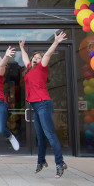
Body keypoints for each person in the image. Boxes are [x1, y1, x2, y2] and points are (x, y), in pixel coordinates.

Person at [19, 31, 68, 178]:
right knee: (40, 136)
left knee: (50, 135)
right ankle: (41, 161)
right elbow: (25, 58)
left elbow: (47, 55)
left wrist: (56, 42)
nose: (36, 59)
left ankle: (60, 164)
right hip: (34, 105)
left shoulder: (42, 68)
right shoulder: (29, 69)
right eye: (35, 57)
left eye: (38, 58)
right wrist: (22, 48)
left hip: (43, 104)